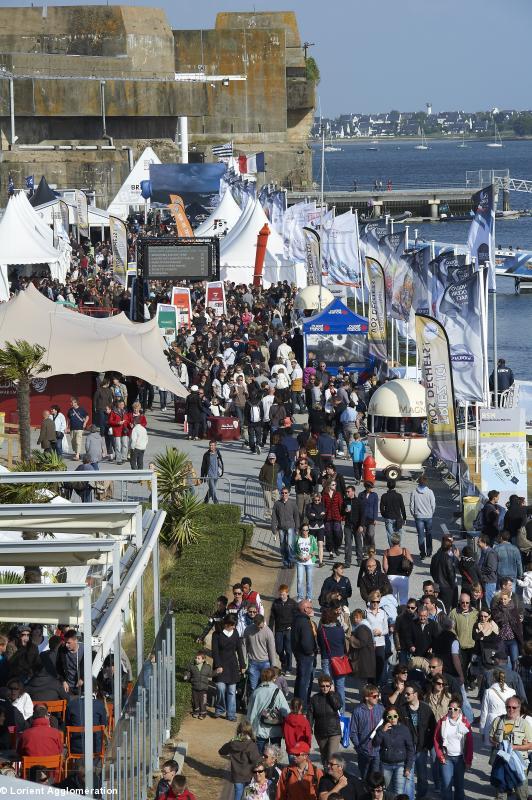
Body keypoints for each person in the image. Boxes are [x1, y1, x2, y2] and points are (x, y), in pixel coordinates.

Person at [489, 695, 532, 800]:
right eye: (508, 707)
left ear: (519, 708)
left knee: (521, 794)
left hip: (519, 765)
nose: (511, 710)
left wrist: (514, 747)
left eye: (514, 707)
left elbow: (530, 745)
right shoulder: (498, 720)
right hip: (501, 763)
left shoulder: (524, 724)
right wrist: (498, 744)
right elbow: (491, 738)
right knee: (501, 794)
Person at [399, 683, 436, 800]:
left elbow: (433, 728)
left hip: (421, 748)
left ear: (415, 694)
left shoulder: (426, 708)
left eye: (408, 693)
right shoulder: (402, 709)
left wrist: (428, 745)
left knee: (422, 775)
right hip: (408, 748)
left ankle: (421, 796)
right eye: (405, 693)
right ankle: (410, 797)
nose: (405, 696)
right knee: (408, 775)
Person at [433, 696, 473, 800]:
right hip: (447, 758)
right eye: (450, 708)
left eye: (455, 709)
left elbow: (469, 743)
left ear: (459, 710)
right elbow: (436, 739)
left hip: (460, 759)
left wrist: (468, 760)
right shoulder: (443, 722)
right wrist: (440, 755)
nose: (452, 711)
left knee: (459, 786)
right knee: (446, 785)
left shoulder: (464, 723)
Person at [373, 704, 414, 796]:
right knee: (387, 791)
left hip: (400, 765)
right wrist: (382, 731)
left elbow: (410, 749)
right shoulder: (382, 729)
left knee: (399, 793)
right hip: (385, 764)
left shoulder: (404, 729)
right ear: (386, 717)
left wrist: (408, 767)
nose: (393, 719)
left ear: (398, 716)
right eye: (390, 716)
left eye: (395, 716)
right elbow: (375, 744)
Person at [247, 667, 290, 754]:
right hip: (275, 730)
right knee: (275, 756)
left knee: (261, 757)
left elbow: (250, 714)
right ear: (274, 678)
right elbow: (286, 712)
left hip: (259, 730)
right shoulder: (278, 692)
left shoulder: (256, 692)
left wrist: (249, 731)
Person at [212, 616, 246, 722]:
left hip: (232, 665)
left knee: (232, 691)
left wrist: (242, 665)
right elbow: (215, 651)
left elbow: (239, 650)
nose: (233, 626)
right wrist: (218, 665)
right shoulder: (216, 634)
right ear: (226, 624)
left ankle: (231, 714)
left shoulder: (235, 633)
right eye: (231, 625)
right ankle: (220, 708)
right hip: (221, 665)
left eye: (234, 625)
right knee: (221, 688)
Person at [219, 720, 261, 800]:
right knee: (248, 794)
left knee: (238, 793)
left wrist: (232, 740)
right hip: (249, 775)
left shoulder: (233, 742)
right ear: (250, 732)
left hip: (236, 774)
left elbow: (221, 751)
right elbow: (255, 760)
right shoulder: (251, 744)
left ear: (238, 731)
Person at [349, 684, 384, 778]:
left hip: (377, 751)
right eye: (375, 696)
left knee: (375, 777)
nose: (377, 698)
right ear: (367, 697)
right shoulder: (358, 711)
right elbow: (353, 732)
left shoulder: (381, 709)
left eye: (378, 695)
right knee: (364, 777)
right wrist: (358, 747)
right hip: (363, 751)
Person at [317, 608, 349, 710]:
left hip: (327, 659)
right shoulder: (339, 630)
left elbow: (321, 645)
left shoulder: (321, 631)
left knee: (327, 687)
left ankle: (329, 709)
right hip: (339, 659)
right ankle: (341, 712)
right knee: (340, 687)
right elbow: (342, 642)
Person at [308, 674, 342, 767]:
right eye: (323, 686)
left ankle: (335, 777)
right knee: (324, 757)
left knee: (332, 757)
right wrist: (309, 728)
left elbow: (337, 706)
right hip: (320, 732)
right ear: (319, 686)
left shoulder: (335, 695)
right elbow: (310, 715)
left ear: (330, 686)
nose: (325, 688)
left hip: (334, 731)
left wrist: (331, 694)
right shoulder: (315, 698)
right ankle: (326, 777)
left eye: (327, 686)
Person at [291, 600, 318, 708]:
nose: (312, 609)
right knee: (304, 683)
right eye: (310, 607)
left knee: (300, 680)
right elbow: (306, 642)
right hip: (305, 656)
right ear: (305, 609)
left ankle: (296, 704)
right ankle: (302, 706)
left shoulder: (296, 619)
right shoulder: (305, 622)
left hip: (299, 655)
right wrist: (311, 652)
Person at [449, 593, 478, 689]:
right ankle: (464, 684)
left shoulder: (475, 613)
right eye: (462, 603)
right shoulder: (454, 612)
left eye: (467, 602)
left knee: (474, 666)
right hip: (461, 645)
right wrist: (455, 637)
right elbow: (451, 628)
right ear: (459, 602)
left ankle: (471, 680)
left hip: (473, 645)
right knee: (463, 667)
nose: (465, 605)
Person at [480, 669, 516, 745]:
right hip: (508, 722)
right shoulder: (512, 691)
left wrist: (482, 730)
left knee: (493, 747)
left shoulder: (488, 692)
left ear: (493, 678)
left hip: (492, 722)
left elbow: (484, 712)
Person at [243, 613, 277, 692]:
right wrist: (243, 662)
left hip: (265, 663)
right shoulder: (248, 630)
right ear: (254, 622)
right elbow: (244, 646)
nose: (259, 628)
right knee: (253, 687)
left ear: (264, 621)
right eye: (257, 626)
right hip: (252, 662)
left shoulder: (268, 633)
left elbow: (271, 650)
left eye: (261, 626)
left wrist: (273, 666)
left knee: (265, 687)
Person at [269, 585, 297, 675]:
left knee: (288, 650)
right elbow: (272, 617)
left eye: (283, 594)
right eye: (280, 594)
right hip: (278, 630)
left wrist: (293, 626)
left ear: (287, 593)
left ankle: (288, 668)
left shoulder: (292, 603)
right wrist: (270, 628)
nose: (281, 596)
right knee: (279, 649)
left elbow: (296, 616)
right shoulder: (276, 603)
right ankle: (283, 661)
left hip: (288, 629)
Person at [491, 593, 523, 669]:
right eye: (501, 599)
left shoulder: (513, 609)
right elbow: (495, 621)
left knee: (514, 661)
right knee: (502, 662)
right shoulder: (496, 610)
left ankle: (514, 678)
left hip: (512, 639)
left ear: (509, 599)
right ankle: (504, 679)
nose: (503, 601)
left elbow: (518, 624)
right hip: (502, 640)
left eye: (505, 599)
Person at [272, 488, 300, 569]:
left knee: (290, 544)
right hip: (281, 527)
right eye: (282, 493)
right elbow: (274, 517)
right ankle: (285, 562)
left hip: (291, 527)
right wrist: (274, 529)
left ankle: (291, 561)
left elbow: (296, 517)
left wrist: (297, 528)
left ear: (288, 493)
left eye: (286, 493)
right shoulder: (277, 504)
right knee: (283, 545)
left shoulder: (292, 503)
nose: (284, 494)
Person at [366, 591, 389, 686]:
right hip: (369, 643)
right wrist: (371, 633)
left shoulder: (383, 613)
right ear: (370, 601)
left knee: (380, 665)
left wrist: (380, 633)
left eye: (377, 602)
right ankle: (370, 685)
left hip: (380, 643)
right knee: (370, 666)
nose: (375, 604)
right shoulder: (366, 612)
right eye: (373, 601)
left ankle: (377, 685)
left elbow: (386, 629)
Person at [409, 476, 436, 559]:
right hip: (428, 516)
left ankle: (422, 553)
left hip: (418, 517)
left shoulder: (414, 492)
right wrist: (431, 513)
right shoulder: (430, 492)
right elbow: (433, 505)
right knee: (429, 534)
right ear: (426, 483)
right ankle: (429, 551)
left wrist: (414, 514)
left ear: (419, 482)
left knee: (420, 535)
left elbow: (411, 505)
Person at [382, 534, 413, 606]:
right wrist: (408, 574)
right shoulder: (404, 551)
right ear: (399, 541)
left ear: (391, 541)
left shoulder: (387, 552)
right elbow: (411, 562)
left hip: (391, 577)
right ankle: (403, 614)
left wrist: (388, 575)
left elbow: (385, 567)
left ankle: (394, 615)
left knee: (392, 599)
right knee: (404, 598)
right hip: (403, 577)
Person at [430, 536, 457, 613]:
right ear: (449, 548)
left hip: (437, 585)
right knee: (446, 608)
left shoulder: (435, 556)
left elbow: (432, 571)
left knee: (438, 607)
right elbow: (451, 574)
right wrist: (452, 586)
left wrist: (436, 580)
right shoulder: (448, 559)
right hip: (447, 587)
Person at [183, 649, 212, 719]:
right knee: (195, 700)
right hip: (195, 687)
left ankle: (203, 713)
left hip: (203, 688)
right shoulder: (192, 666)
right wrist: (186, 676)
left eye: (198, 658)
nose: (196, 659)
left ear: (203, 660)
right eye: (196, 658)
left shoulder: (207, 667)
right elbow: (188, 672)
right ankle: (196, 711)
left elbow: (211, 674)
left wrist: (217, 672)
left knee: (203, 701)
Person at [294, 524, 318, 602]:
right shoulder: (298, 538)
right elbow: (294, 551)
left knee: (309, 580)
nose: (305, 532)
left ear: (308, 530)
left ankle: (309, 596)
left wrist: (310, 556)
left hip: (310, 562)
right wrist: (299, 556)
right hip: (300, 562)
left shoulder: (312, 538)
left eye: (307, 530)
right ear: (301, 530)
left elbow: (315, 549)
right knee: (300, 580)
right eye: (303, 530)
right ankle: (300, 596)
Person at [56, 629, 84, 695]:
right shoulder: (62, 650)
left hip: (82, 686)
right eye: (65, 642)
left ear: (76, 641)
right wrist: (63, 681)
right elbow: (58, 667)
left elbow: (89, 667)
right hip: (68, 686)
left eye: (69, 643)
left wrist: (83, 679)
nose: (66, 645)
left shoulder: (85, 650)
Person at [380, 480, 407, 547]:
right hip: (398, 517)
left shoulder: (384, 496)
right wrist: (404, 518)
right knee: (398, 534)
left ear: (387, 486)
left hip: (388, 517)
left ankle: (392, 548)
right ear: (394, 486)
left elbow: (381, 508)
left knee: (390, 534)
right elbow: (402, 507)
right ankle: (398, 547)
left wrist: (384, 515)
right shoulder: (399, 496)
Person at [322, 480, 344, 560]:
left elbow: (341, 505)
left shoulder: (338, 494)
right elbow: (323, 506)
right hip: (327, 517)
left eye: (335, 484)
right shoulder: (324, 495)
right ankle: (330, 552)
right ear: (329, 485)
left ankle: (336, 546)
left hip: (336, 516)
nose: (335, 486)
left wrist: (343, 516)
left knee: (338, 533)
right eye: (333, 484)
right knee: (328, 535)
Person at [342, 485, 362, 569]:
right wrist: (344, 511)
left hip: (357, 526)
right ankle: (347, 561)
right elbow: (341, 512)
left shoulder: (358, 501)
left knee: (358, 544)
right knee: (348, 544)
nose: (347, 493)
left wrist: (361, 525)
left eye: (348, 491)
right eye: (346, 492)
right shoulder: (345, 501)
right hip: (348, 525)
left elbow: (362, 514)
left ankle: (360, 560)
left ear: (353, 492)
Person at [307, 490, 327, 569]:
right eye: (315, 500)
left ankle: (321, 561)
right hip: (312, 527)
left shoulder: (322, 506)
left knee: (320, 544)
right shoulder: (309, 506)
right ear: (313, 499)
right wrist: (318, 516)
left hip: (320, 527)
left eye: (318, 500)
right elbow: (308, 516)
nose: (317, 501)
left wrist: (315, 516)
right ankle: (312, 559)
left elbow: (323, 516)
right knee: (312, 544)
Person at [200, 440, 224, 504]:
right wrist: (202, 477)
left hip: (216, 475)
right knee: (213, 490)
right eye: (210, 445)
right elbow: (203, 466)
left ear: (215, 446)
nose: (211, 447)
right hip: (209, 476)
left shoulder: (218, 453)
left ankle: (205, 502)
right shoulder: (206, 455)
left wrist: (220, 472)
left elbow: (220, 463)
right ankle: (216, 503)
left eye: (213, 445)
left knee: (211, 489)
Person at [478, 535, 499, 607]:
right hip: (484, 580)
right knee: (485, 601)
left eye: (479, 542)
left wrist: (479, 570)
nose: (477, 543)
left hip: (489, 581)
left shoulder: (491, 553)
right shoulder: (483, 552)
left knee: (489, 602)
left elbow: (491, 568)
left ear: (484, 543)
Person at [108, 399, 130, 464]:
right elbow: (110, 421)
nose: (123, 406)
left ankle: (123, 458)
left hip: (124, 430)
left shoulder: (125, 411)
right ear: (118, 404)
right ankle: (118, 459)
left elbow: (127, 419)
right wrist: (118, 423)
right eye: (121, 404)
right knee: (118, 446)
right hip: (117, 430)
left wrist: (130, 424)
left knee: (125, 445)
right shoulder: (113, 412)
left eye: (123, 404)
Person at [67, 396, 89, 461]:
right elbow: (68, 419)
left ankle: (77, 455)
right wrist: (66, 427)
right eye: (71, 402)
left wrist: (85, 423)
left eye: (72, 402)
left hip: (79, 428)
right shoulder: (70, 410)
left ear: (76, 403)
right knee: (73, 442)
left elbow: (87, 416)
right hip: (72, 428)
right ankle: (77, 452)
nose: (71, 403)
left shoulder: (82, 409)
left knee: (78, 441)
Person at [359, 482, 378, 554]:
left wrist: (375, 518)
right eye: (370, 487)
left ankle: (372, 548)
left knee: (371, 534)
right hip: (363, 518)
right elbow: (359, 506)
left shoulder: (374, 495)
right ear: (366, 487)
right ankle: (366, 550)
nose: (371, 489)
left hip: (371, 518)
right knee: (364, 535)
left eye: (372, 487)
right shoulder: (361, 495)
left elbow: (375, 507)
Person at [259, 453, 280, 519]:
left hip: (275, 488)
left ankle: (276, 515)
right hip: (266, 488)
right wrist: (263, 485)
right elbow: (260, 477)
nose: (272, 460)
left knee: (277, 501)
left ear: (275, 458)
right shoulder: (264, 467)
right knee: (268, 503)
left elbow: (280, 475)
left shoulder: (277, 466)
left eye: (273, 458)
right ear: (268, 459)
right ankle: (268, 516)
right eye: (270, 458)